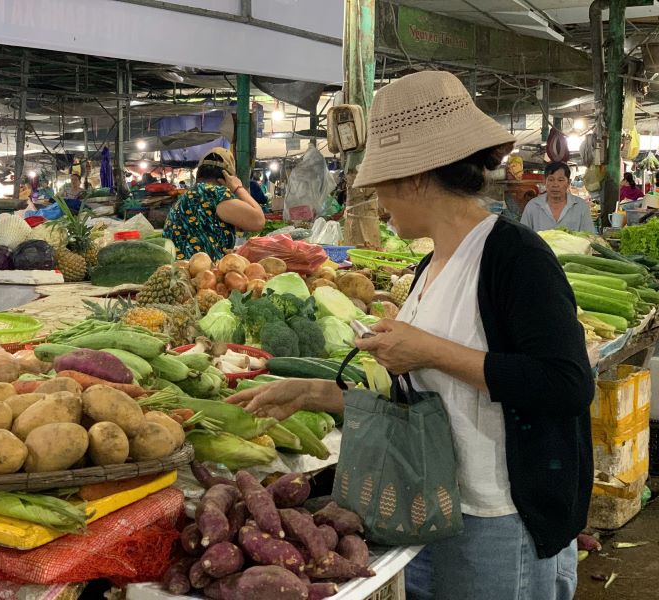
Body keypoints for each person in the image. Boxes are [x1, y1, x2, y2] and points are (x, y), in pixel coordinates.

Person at [228, 71, 593, 600]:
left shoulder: (516, 258)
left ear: (416, 177)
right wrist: (317, 394)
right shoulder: (430, 267)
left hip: (500, 521)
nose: (377, 201)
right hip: (433, 506)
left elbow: (566, 384)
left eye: (381, 184)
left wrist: (430, 351)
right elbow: (428, 399)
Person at [163, 148, 265, 260]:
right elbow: (258, 221)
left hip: (180, 269)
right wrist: (238, 188)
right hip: (203, 272)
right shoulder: (216, 194)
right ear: (228, 177)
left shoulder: (185, 197)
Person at [520, 162, 595, 232]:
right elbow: (523, 236)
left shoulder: (581, 206)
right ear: (544, 181)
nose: (555, 184)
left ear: (568, 182)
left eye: (560, 180)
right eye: (551, 180)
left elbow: (590, 236)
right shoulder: (532, 206)